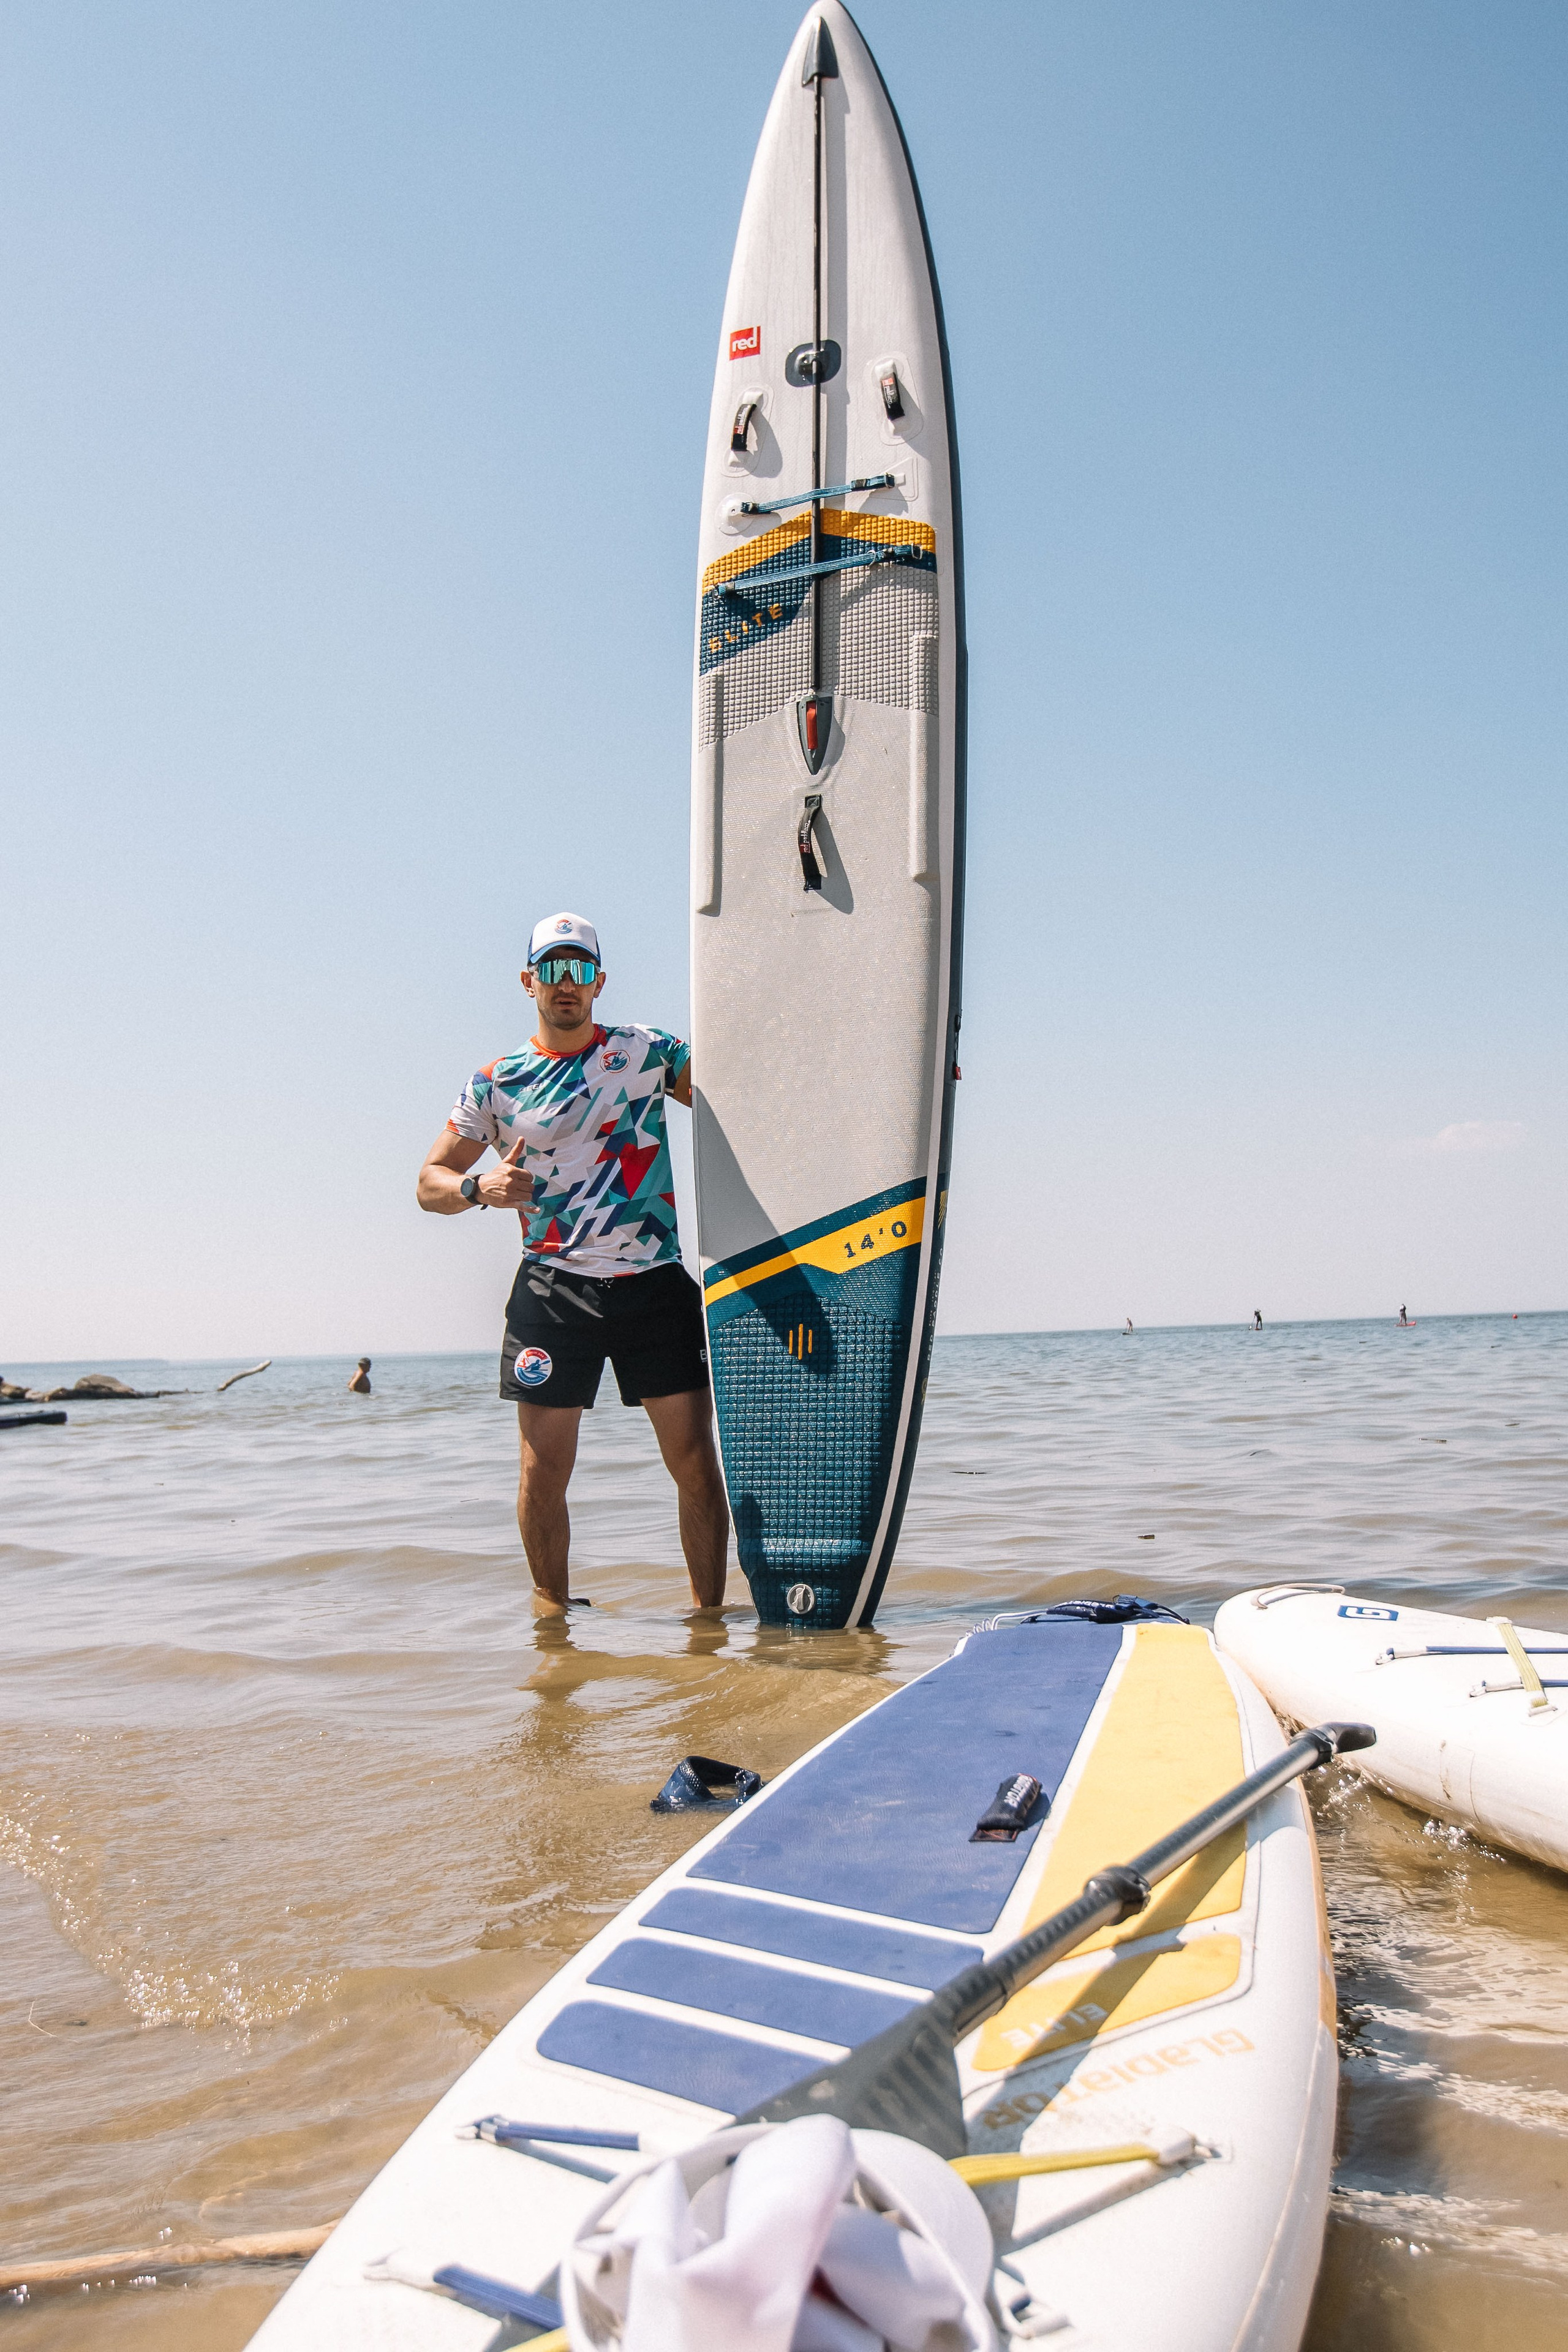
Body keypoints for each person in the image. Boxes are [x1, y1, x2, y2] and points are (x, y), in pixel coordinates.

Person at [417, 913, 729, 1618]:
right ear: (528, 982)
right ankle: (552, 1618)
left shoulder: (646, 1051)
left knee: (694, 1462)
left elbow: (738, 1088)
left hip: (651, 1281)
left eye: (579, 969)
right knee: (542, 1470)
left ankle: (707, 1621)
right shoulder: (497, 1082)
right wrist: (477, 1188)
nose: (566, 984)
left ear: (599, 982)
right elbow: (428, 1182)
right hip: (553, 1292)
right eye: (552, 970)